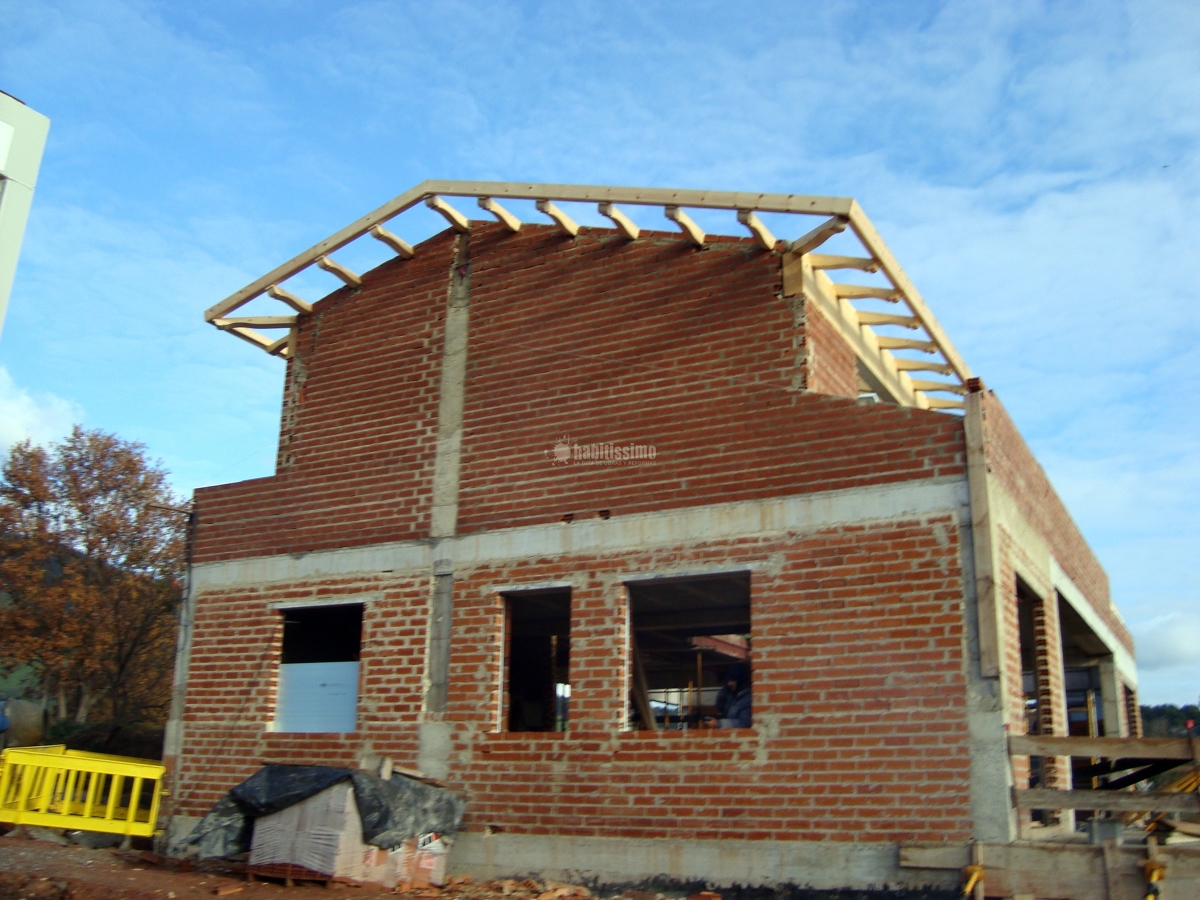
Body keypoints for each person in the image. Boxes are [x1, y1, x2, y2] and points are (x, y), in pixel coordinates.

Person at [715, 663, 751, 728]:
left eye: (732, 680)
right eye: (728, 680)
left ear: (740, 681)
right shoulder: (732, 695)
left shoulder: (747, 699)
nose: (729, 683)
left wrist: (719, 723)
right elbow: (722, 709)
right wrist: (724, 691)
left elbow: (744, 723)